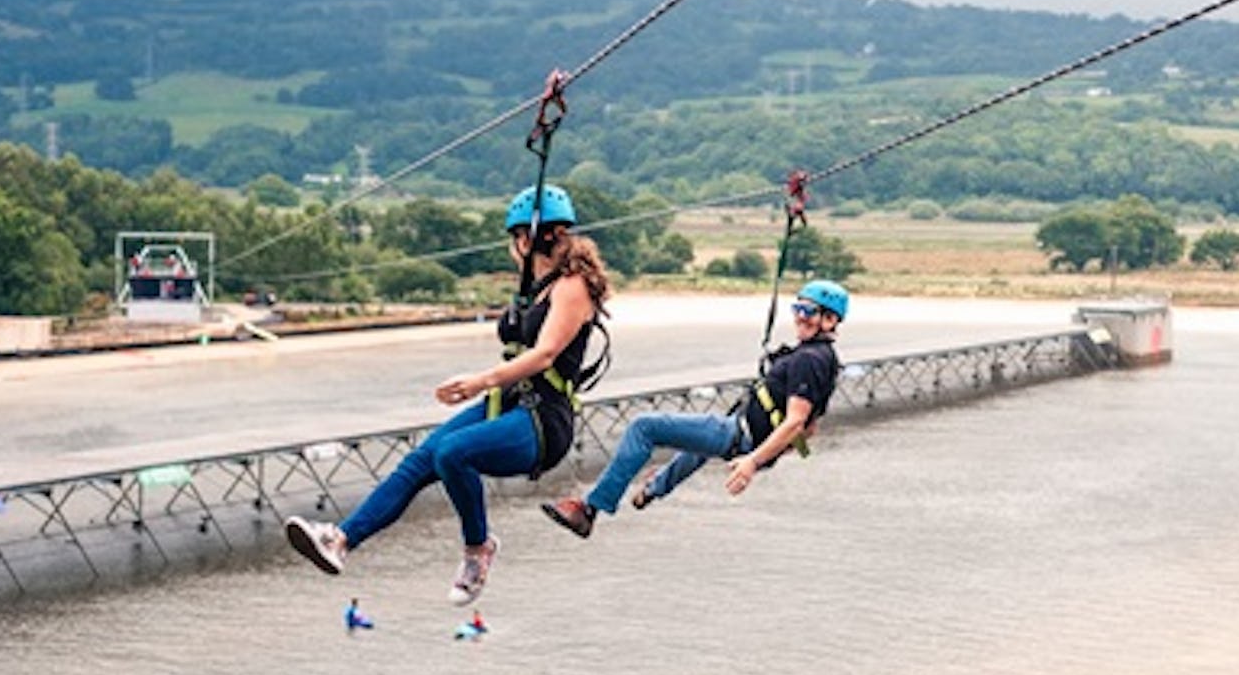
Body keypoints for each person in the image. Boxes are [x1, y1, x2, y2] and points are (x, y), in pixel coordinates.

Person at [285, 184, 610, 604]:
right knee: (420, 460)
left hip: (543, 422)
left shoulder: (573, 286)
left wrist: (481, 380)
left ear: (528, 239)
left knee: (453, 453)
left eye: (514, 241)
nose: (512, 250)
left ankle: (478, 551)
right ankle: (342, 539)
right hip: (511, 404)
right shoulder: (537, 287)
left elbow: (546, 354)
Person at [542, 279, 847, 538]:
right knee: (698, 446)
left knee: (644, 427)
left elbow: (795, 423)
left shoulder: (810, 360)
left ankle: (590, 509)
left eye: (809, 311)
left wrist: (752, 462)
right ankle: (653, 489)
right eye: (798, 309)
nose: (800, 317)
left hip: (741, 436)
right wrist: (774, 451)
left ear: (830, 320)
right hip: (742, 430)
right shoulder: (825, 359)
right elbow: (810, 429)